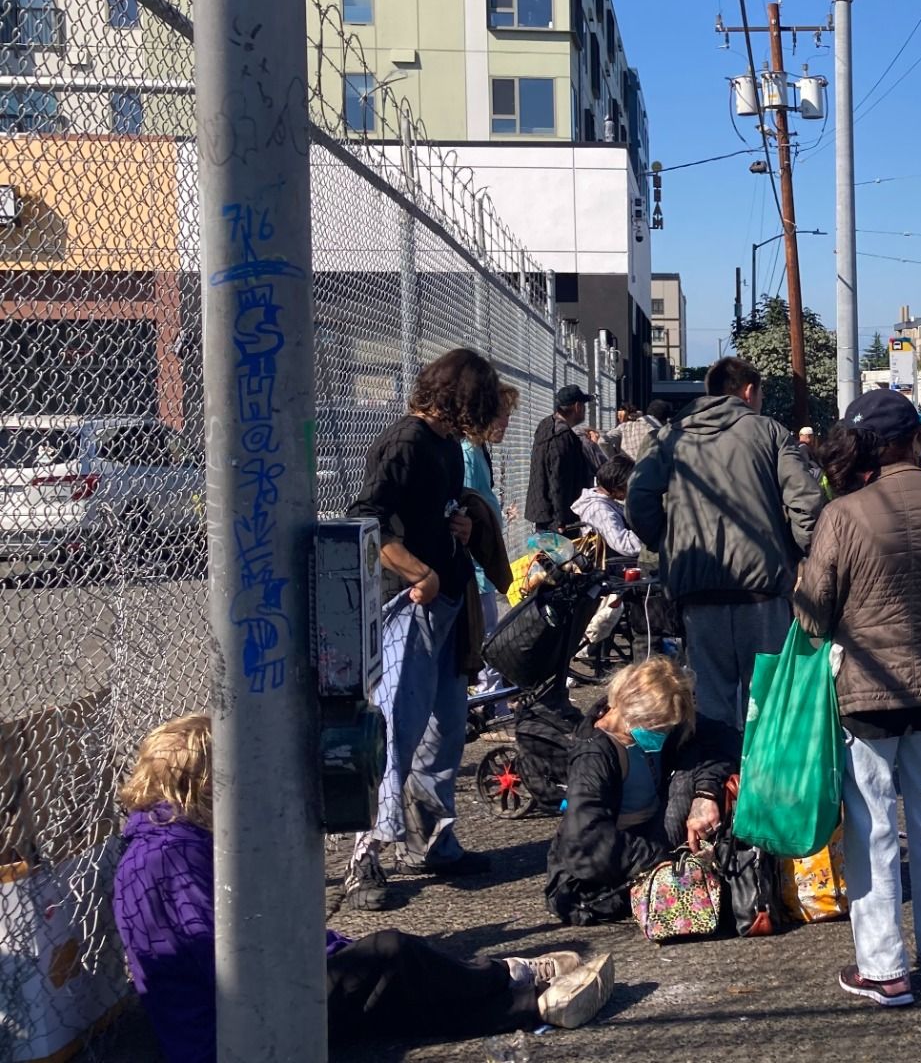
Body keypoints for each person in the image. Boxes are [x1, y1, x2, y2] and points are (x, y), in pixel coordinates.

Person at [112, 716, 615, 1063]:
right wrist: (318, 959)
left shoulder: (177, 838)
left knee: (383, 977)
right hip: (231, 1033)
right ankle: (511, 984)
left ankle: (524, 998)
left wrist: (327, 951)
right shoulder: (167, 856)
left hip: (252, 1005)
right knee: (387, 952)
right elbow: (229, 960)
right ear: (202, 787)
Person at [793, 389, 921, 1008]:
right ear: (911, 441)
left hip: (866, 691)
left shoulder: (843, 514)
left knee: (871, 826)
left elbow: (814, 617)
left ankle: (884, 969)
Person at [344, 348, 502, 911]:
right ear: (464, 398)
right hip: (409, 606)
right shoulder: (406, 442)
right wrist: (421, 573)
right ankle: (366, 855)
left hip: (445, 602)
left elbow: (434, 510)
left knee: (445, 729)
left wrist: (459, 524)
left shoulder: (444, 447)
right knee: (395, 728)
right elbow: (371, 520)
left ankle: (431, 840)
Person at [627, 357, 825, 729]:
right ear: (749, 391)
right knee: (768, 702)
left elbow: (638, 502)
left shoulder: (670, 436)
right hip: (762, 591)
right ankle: (763, 781)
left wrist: (668, 542)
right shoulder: (769, 432)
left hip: (699, 592)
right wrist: (799, 552)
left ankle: (717, 782)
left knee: (711, 703)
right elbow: (807, 503)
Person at [546, 658, 739, 925]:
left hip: (652, 828)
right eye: (658, 729)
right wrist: (659, 859)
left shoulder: (654, 723)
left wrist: (705, 794)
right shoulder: (595, 756)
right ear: (633, 714)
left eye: (667, 729)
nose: (662, 734)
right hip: (610, 865)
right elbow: (586, 840)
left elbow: (724, 737)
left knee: (696, 758)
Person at [463, 385, 519, 699]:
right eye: (501, 415)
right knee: (487, 635)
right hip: (475, 561)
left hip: (481, 560)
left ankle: (491, 699)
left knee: (487, 632)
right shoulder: (468, 453)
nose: (506, 423)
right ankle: (491, 702)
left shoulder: (478, 450)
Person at [527, 385, 595, 533]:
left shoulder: (546, 425)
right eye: (583, 405)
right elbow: (558, 480)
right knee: (560, 556)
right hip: (558, 520)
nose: (585, 410)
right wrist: (560, 520)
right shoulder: (562, 438)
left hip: (543, 512)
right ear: (577, 406)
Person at [571, 455, 646, 559]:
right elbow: (626, 546)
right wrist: (648, 528)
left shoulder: (607, 502)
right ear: (617, 487)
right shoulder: (601, 510)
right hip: (616, 569)